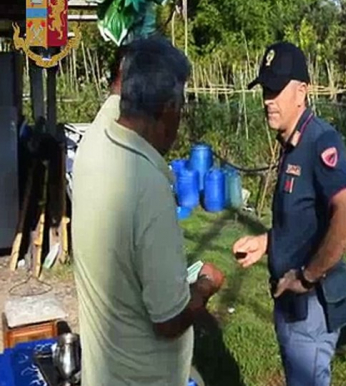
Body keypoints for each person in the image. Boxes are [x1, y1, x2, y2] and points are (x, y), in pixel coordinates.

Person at [71, 36, 223, 386]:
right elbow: (168, 321)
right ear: (170, 109)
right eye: (180, 108)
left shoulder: (94, 142)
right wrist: (204, 287)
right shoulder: (149, 189)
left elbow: (116, 90)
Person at [232, 42, 346, 386]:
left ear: (302, 91)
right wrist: (268, 242)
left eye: (276, 89)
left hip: (311, 306)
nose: (268, 99)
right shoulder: (292, 144)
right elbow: (306, 218)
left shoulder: (320, 142)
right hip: (293, 304)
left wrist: (306, 277)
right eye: (265, 89)